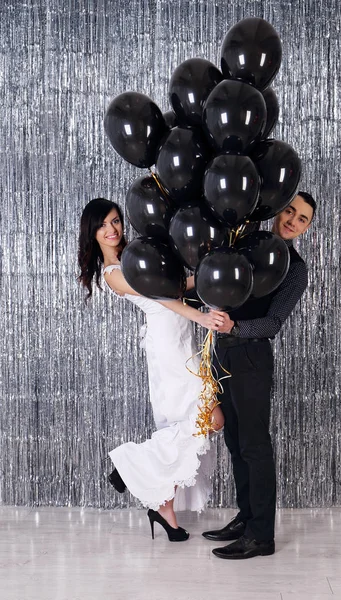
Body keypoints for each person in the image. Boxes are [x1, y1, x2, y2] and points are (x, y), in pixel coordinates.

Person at [78, 198, 225, 542]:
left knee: (188, 424)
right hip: (166, 345)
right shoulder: (113, 274)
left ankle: (165, 511)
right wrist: (202, 316)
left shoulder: (138, 254)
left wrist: (206, 274)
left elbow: (177, 286)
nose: (112, 229)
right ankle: (131, 465)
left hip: (182, 338)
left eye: (115, 221)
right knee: (209, 418)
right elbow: (162, 296)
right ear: (93, 234)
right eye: (103, 226)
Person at [202, 192, 316, 559]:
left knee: (254, 446)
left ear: (307, 228)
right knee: (235, 441)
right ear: (278, 209)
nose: (293, 220)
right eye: (290, 211)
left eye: (302, 219)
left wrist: (235, 326)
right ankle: (246, 517)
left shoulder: (295, 269)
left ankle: (261, 537)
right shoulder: (246, 245)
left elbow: (273, 323)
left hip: (251, 356)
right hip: (224, 351)